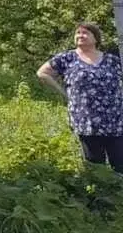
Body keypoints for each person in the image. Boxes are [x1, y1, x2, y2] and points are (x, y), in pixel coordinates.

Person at [37, 22, 123, 172]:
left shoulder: (112, 60)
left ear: (95, 38)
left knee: (120, 163)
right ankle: (99, 195)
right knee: (95, 167)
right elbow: (42, 73)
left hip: (115, 119)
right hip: (86, 120)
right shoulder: (67, 58)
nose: (80, 36)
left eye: (85, 33)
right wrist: (63, 92)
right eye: (78, 33)